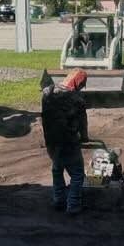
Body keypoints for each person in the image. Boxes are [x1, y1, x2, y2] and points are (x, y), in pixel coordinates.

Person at [41, 69, 89, 215]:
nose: (81, 88)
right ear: (78, 83)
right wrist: (84, 138)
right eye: (82, 85)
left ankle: (58, 200)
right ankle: (73, 205)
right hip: (68, 141)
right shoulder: (77, 100)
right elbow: (82, 123)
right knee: (77, 173)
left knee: (57, 169)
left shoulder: (48, 93)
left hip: (51, 141)